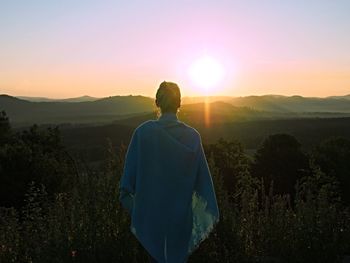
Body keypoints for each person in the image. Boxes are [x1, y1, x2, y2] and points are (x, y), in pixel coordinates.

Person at [119, 81, 219, 263]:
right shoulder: (192, 137)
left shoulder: (142, 134)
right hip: (181, 224)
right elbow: (204, 187)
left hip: (150, 223)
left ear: (157, 102)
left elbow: (125, 189)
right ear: (179, 103)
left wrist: (142, 214)